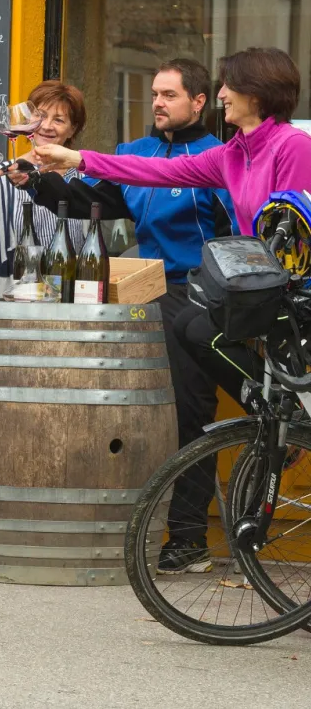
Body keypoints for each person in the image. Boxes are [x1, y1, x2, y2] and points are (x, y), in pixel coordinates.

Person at [32, 47, 311, 570]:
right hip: (247, 292)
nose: (222, 95)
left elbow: (297, 224)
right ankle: (276, 409)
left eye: (228, 86)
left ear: (256, 92)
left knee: (196, 333)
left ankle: (281, 411)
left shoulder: (292, 145)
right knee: (196, 332)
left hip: (284, 294)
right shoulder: (232, 153)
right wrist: (77, 160)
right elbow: (155, 173)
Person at [11, 61, 238, 569]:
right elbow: (86, 200)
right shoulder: (136, 154)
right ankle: (124, 527)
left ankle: (189, 539)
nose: (157, 102)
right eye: (154, 93)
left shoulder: (215, 158)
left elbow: (236, 232)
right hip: (142, 292)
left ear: (199, 101)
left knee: (189, 414)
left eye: (169, 95)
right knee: (132, 414)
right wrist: (34, 181)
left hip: (198, 295)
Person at [0, 81, 87, 298]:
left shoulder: (83, 180)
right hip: (10, 301)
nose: (47, 126)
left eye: (58, 120)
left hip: (69, 299)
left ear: (72, 129)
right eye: (41, 116)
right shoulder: (2, 174)